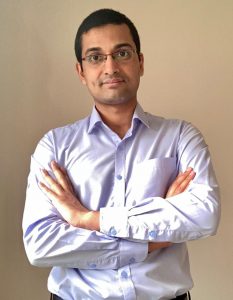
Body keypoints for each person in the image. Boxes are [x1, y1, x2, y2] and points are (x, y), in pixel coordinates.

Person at [22, 8, 220, 300]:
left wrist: (87, 219)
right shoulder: (54, 147)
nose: (110, 67)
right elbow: (41, 246)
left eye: (122, 53)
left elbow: (204, 214)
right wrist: (152, 239)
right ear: (81, 71)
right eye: (95, 57)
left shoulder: (180, 137)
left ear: (140, 63)